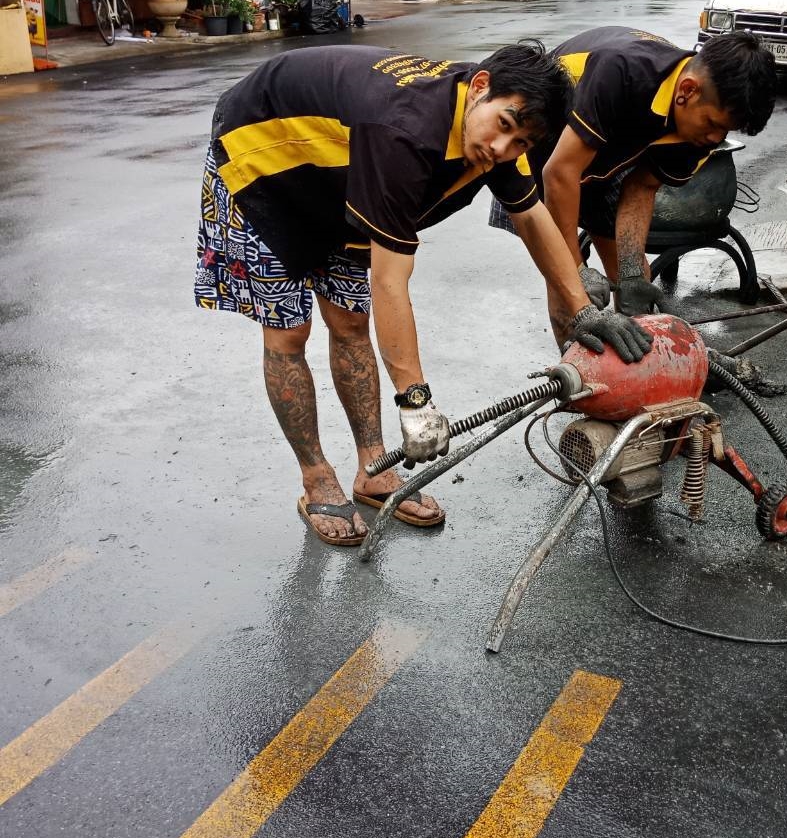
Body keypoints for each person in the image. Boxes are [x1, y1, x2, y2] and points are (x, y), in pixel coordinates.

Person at [194, 41, 651, 547]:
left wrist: (583, 310)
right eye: (504, 126)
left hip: (339, 178)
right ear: (480, 87)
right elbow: (390, 282)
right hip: (260, 164)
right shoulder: (404, 133)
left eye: (522, 143)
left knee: (348, 322)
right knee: (289, 331)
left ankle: (374, 467)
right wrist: (417, 403)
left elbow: (531, 214)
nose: (504, 150)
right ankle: (315, 474)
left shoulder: (490, 128)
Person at [491, 25, 776, 315]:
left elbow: (642, 186)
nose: (717, 139)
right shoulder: (621, 71)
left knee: (635, 280)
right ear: (688, 90)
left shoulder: (699, 131)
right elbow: (560, 173)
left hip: (605, 156)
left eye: (726, 129)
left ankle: (636, 351)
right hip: (541, 149)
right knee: (568, 289)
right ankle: (574, 357)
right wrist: (575, 268)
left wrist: (630, 273)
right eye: (714, 124)